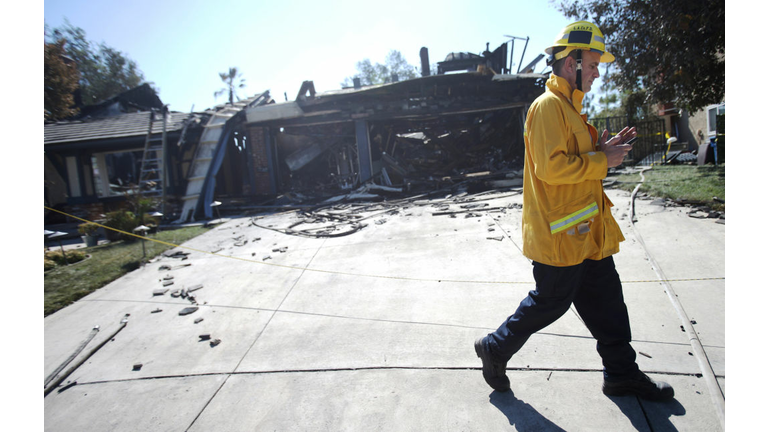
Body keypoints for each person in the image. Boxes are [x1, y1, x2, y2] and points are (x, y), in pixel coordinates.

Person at [474, 21, 674, 401]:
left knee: (609, 304)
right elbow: (551, 169)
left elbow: (576, 159)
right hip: (560, 237)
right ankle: (495, 347)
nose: (598, 73)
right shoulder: (548, 107)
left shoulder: (570, 109)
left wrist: (603, 150)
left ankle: (621, 374)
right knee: (550, 302)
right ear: (572, 63)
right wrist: (603, 160)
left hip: (586, 232)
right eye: (594, 65)